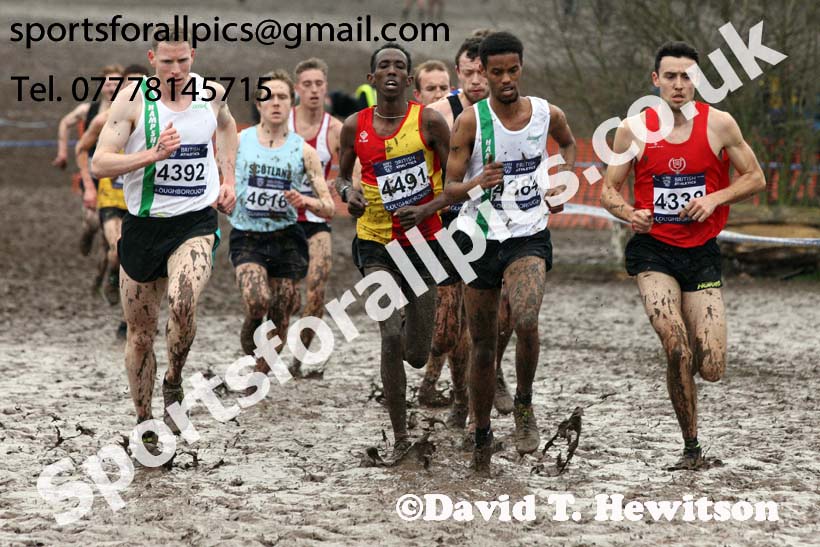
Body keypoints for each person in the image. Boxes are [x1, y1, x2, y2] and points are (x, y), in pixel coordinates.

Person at [413, 31, 577, 473]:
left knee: (525, 319)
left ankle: (524, 406)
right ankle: (482, 431)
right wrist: (474, 183)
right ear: (482, 73)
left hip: (528, 233)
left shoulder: (545, 113)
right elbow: (449, 189)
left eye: (513, 70)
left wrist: (562, 179)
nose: (506, 79)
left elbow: (569, 142)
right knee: (482, 343)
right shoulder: (470, 121)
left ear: (521, 67)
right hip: (480, 236)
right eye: (497, 72)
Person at [600, 41, 765, 470]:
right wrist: (629, 212)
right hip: (653, 250)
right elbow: (606, 189)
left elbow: (756, 178)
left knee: (710, 365)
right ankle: (692, 447)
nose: (678, 84)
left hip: (701, 252)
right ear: (655, 80)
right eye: (670, 76)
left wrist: (715, 199)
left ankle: (686, 371)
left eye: (686, 75)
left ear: (698, 80)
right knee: (675, 344)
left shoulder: (720, 124)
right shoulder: (633, 129)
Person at [92, 25, 238, 454]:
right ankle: (144, 423)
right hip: (141, 227)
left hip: (194, 222)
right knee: (140, 334)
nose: (176, 69)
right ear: (152, 59)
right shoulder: (133, 99)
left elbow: (227, 129)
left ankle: (174, 379)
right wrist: (152, 155)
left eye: (183, 60)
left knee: (183, 299)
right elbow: (101, 163)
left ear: (193, 55)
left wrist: (227, 179)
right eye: (167, 61)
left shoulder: (211, 94)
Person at [335, 43, 450, 455]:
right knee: (388, 335)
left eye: (399, 66)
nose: (390, 71)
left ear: (409, 78)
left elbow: (454, 182)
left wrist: (428, 208)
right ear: (371, 78)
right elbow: (340, 177)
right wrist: (349, 192)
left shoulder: (431, 122)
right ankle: (401, 436)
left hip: (424, 243)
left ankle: (406, 346)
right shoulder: (354, 125)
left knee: (417, 354)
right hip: (374, 242)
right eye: (383, 65)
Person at [231, 70, 335, 380]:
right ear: (258, 102)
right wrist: (223, 196)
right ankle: (250, 326)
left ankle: (259, 377)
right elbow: (219, 182)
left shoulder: (304, 151)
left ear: (292, 102)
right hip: (247, 235)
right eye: (268, 96)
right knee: (257, 301)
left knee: (281, 310)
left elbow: (328, 206)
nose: (275, 103)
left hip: (287, 238)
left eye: (282, 97)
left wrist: (307, 203)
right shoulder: (239, 141)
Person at [75, 64, 149, 338]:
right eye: (129, 84)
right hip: (111, 200)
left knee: (137, 264)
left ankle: (123, 312)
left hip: (140, 203)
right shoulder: (105, 118)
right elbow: (81, 149)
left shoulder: (157, 117)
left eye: (142, 84)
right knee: (118, 248)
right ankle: (108, 278)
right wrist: (88, 187)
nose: (135, 90)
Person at [287, 58, 343, 378]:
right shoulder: (283, 124)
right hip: (280, 220)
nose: (313, 90)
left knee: (317, 287)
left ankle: (297, 360)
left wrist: (339, 184)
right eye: (306, 84)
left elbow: (354, 175)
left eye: (318, 84)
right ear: (297, 89)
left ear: (326, 87)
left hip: (316, 218)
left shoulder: (334, 129)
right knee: (285, 296)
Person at [54, 64, 124, 256]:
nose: (112, 88)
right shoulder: (88, 110)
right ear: (102, 85)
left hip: (117, 171)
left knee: (112, 228)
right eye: (108, 83)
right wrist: (62, 153)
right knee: (93, 220)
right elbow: (65, 123)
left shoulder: (128, 109)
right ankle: (88, 232)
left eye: (116, 83)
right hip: (93, 170)